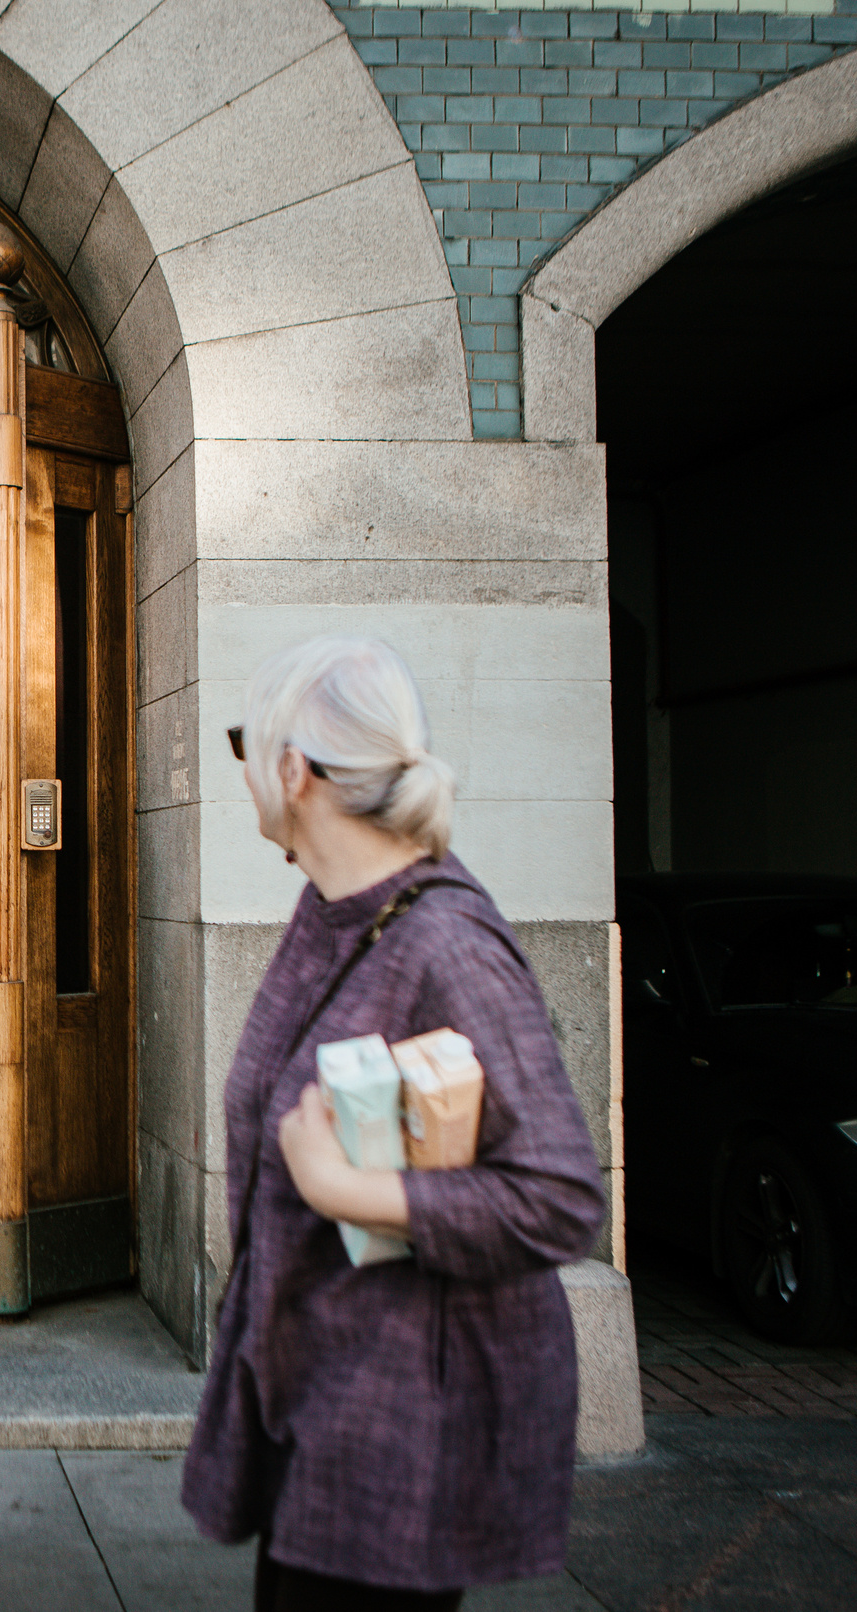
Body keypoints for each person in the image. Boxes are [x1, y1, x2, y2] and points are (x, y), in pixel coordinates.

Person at [180, 638, 607, 1610]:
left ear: (293, 768)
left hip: (401, 1424)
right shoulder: (333, 909)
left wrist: (341, 1187)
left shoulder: (445, 942)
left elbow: (558, 1194)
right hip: (323, 1390)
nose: (243, 769)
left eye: (246, 743)